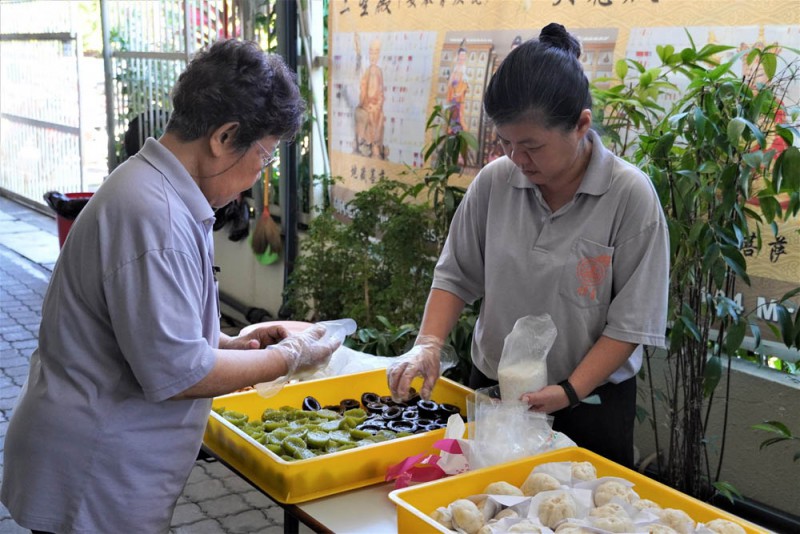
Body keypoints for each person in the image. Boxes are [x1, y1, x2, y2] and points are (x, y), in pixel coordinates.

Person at [1, 40, 339, 533]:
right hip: (95, 472)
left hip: (100, 460)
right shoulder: (154, 216)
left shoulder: (158, 192)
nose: (254, 179)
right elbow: (181, 373)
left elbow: (152, 332)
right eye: (263, 157)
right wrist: (290, 357)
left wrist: (233, 344)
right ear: (224, 137)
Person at [388, 23, 669, 468]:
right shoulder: (495, 182)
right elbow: (455, 275)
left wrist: (570, 390)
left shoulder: (629, 196)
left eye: (532, 146)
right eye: (506, 142)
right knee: (483, 497)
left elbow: (631, 323)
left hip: (588, 402)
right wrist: (428, 344)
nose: (517, 159)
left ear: (581, 125)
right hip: (495, 392)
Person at [354, 38, 386, 159]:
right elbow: (363, 89)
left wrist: (376, 106)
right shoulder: (367, 71)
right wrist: (366, 104)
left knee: (376, 116)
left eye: (376, 52)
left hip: (376, 107)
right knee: (365, 114)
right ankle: (367, 144)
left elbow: (381, 94)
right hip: (367, 105)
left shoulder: (379, 71)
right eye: (371, 52)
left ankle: (375, 145)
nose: (373, 56)